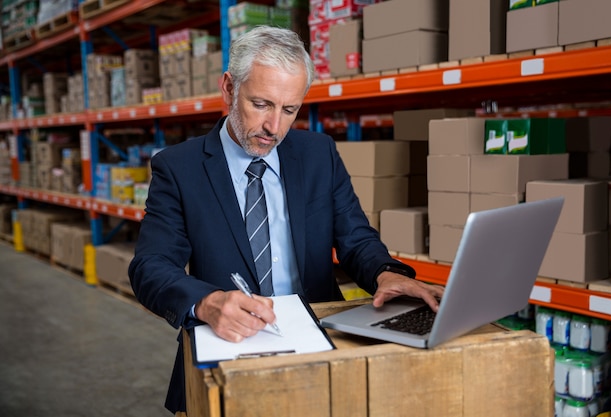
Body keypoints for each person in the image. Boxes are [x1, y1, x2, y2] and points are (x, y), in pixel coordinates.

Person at [128, 25, 445, 414]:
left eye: (289, 109)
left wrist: (386, 274)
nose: (274, 128)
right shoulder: (179, 168)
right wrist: (207, 303)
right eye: (261, 104)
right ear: (229, 88)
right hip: (230, 347)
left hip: (321, 340)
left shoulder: (318, 154)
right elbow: (150, 267)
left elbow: (356, 238)